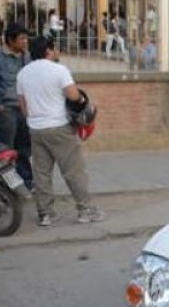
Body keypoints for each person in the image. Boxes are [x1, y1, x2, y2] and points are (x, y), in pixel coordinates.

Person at [16, 35, 106, 226]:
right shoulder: (59, 70)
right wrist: (83, 102)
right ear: (48, 50)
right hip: (59, 127)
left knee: (41, 173)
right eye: (54, 48)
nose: (57, 51)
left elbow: (23, 107)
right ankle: (85, 210)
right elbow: (73, 95)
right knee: (74, 170)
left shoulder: (23, 73)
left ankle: (45, 213)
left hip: (36, 129)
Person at [0, 23, 33, 189]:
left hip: (24, 109)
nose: (25, 42)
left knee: (24, 149)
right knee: (7, 151)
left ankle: (27, 182)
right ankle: (6, 187)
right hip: (6, 110)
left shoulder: (26, 56)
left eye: (26, 38)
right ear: (10, 40)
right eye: (22, 38)